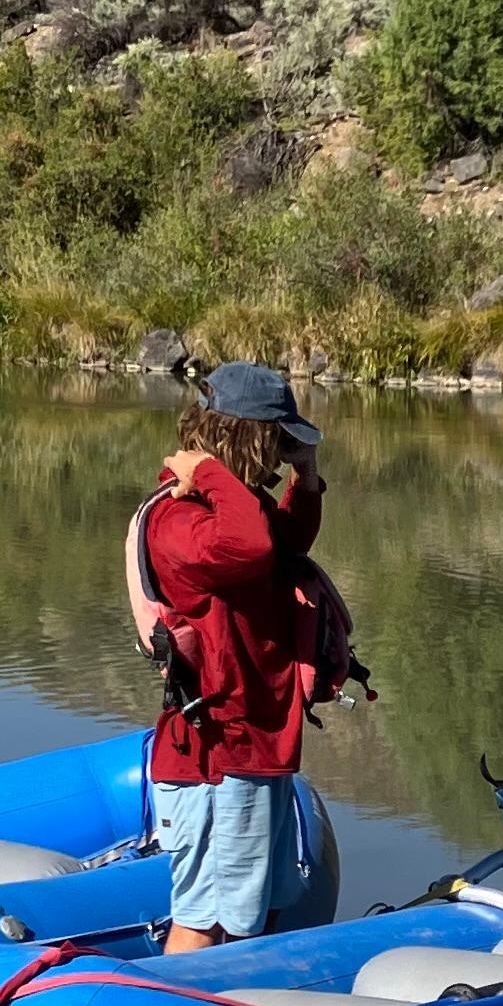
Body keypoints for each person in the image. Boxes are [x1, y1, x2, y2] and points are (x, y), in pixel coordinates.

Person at [131, 361, 337, 954]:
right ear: (248, 437)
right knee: (205, 920)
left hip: (252, 745)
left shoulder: (238, 509)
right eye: (276, 441)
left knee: (245, 916)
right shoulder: (180, 519)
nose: (279, 455)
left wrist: (308, 474)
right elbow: (249, 547)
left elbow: (284, 545)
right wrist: (212, 471)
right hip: (215, 755)